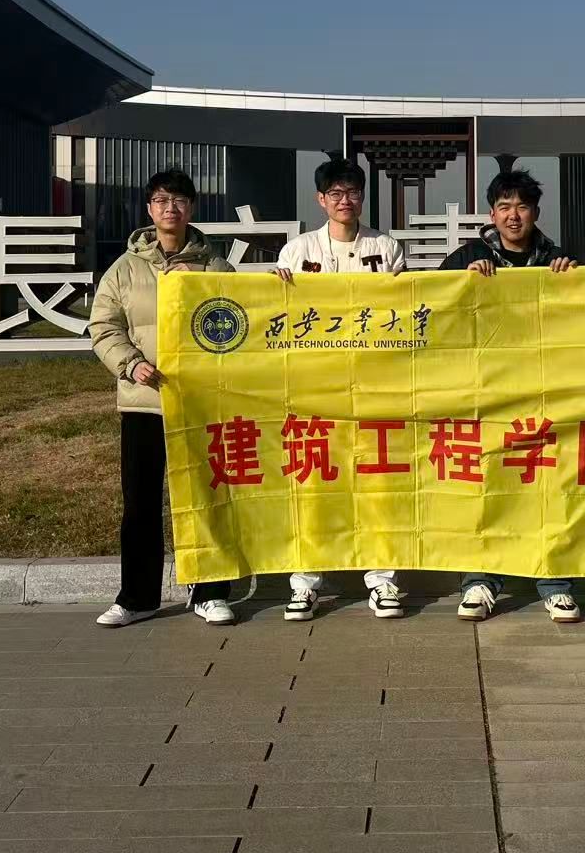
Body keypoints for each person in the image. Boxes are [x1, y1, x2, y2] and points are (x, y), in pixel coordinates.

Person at [89, 168, 238, 628]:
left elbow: (239, 321)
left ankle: (210, 592)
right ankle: (138, 598)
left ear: (191, 208)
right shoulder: (125, 268)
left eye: (179, 200)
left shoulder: (215, 266)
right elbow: (103, 327)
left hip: (201, 402)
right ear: (149, 209)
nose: (170, 208)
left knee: (207, 497)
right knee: (140, 504)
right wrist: (131, 363)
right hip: (145, 402)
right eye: (160, 200)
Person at [438, 170, 582, 622]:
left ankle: (555, 583)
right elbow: (434, 309)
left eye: (521, 206)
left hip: (544, 394)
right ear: (491, 213)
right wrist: (462, 281)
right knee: (486, 487)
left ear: (535, 212)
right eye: (504, 206)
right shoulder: (468, 256)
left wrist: (573, 283)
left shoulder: (558, 259)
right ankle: (480, 582)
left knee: (546, 487)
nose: (513, 215)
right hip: (486, 396)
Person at [274, 159, 409, 622]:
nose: (344, 200)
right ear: (320, 199)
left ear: (362, 196)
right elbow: (277, 314)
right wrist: (274, 289)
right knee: (313, 482)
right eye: (335, 193)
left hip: (375, 384)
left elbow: (408, 307)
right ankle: (305, 583)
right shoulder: (297, 251)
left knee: (378, 482)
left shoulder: (385, 247)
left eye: (352, 191)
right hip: (315, 385)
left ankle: (383, 580)